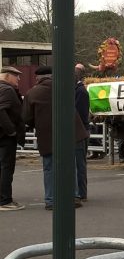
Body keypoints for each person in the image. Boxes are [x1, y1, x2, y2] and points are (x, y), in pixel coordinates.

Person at [22, 65, 87, 210]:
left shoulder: (32, 93)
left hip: (47, 135)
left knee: (49, 168)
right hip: (70, 133)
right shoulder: (65, 88)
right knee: (71, 166)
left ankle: (51, 200)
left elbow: (26, 117)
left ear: (38, 78)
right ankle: (74, 196)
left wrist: (36, 123)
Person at [0, 66, 26, 211]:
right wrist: (11, 131)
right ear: (8, 76)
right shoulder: (7, 90)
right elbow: (1, 110)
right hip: (5, 137)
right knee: (6, 168)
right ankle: (5, 200)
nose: (19, 79)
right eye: (16, 76)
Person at [75, 64, 90, 201]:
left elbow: (80, 114)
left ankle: (81, 192)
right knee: (78, 163)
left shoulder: (80, 92)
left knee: (80, 163)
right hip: (80, 130)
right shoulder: (79, 90)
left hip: (80, 131)